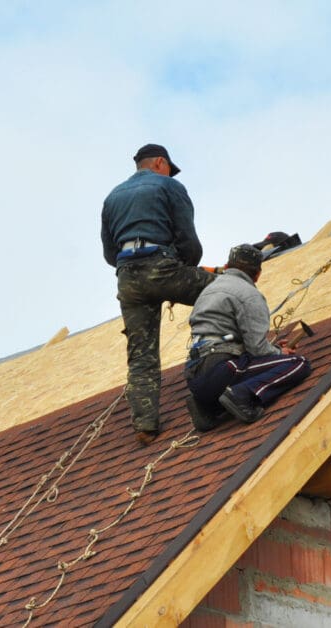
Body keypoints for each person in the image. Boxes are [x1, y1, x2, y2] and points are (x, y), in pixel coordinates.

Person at [101, 143, 216, 445]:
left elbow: (109, 252)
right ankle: (231, 359)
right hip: (160, 265)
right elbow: (189, 241)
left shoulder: (112, 197)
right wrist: (181, 272)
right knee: (222, 289)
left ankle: (145, 426)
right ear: (160, 163)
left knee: (141, 356)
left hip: (127, 278)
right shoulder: (169, 186)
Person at [183, 244, 312, 431]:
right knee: (298, 363)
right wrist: (278, 353)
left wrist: (273, 348)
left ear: (227, 266)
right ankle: (242, 395)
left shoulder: (209, 291)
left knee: (244, 370)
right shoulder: (249, 294)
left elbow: (229, 338)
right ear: (257, 274)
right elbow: (257, 349)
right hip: (223, 368)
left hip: (196, 377)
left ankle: (208, 406)